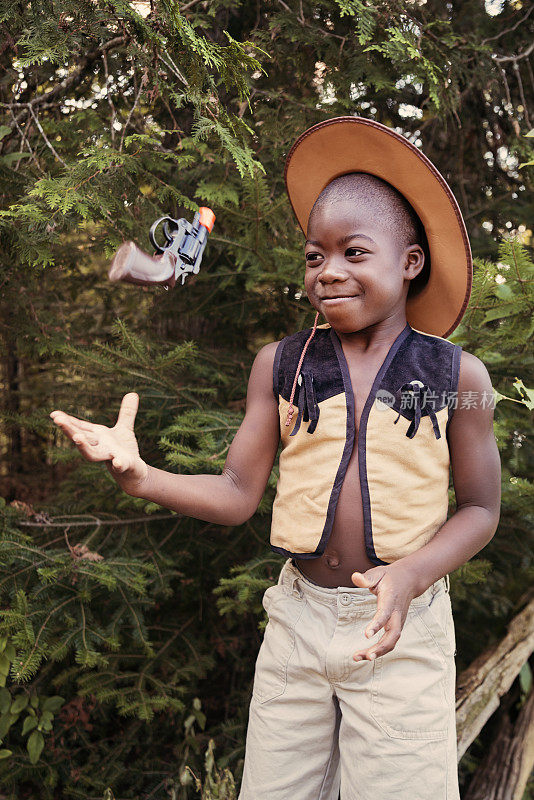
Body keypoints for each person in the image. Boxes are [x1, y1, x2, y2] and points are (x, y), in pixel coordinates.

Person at [49, 117, 501, 800]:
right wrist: (140, 477)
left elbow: (481, 508)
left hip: (403, 632)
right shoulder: (282, 365)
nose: (329, 272)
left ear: (410, 263)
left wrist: (410, 575)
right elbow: (236, 492)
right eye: (315, 257)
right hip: (298, 623)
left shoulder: (457, 378)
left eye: (353, 252)